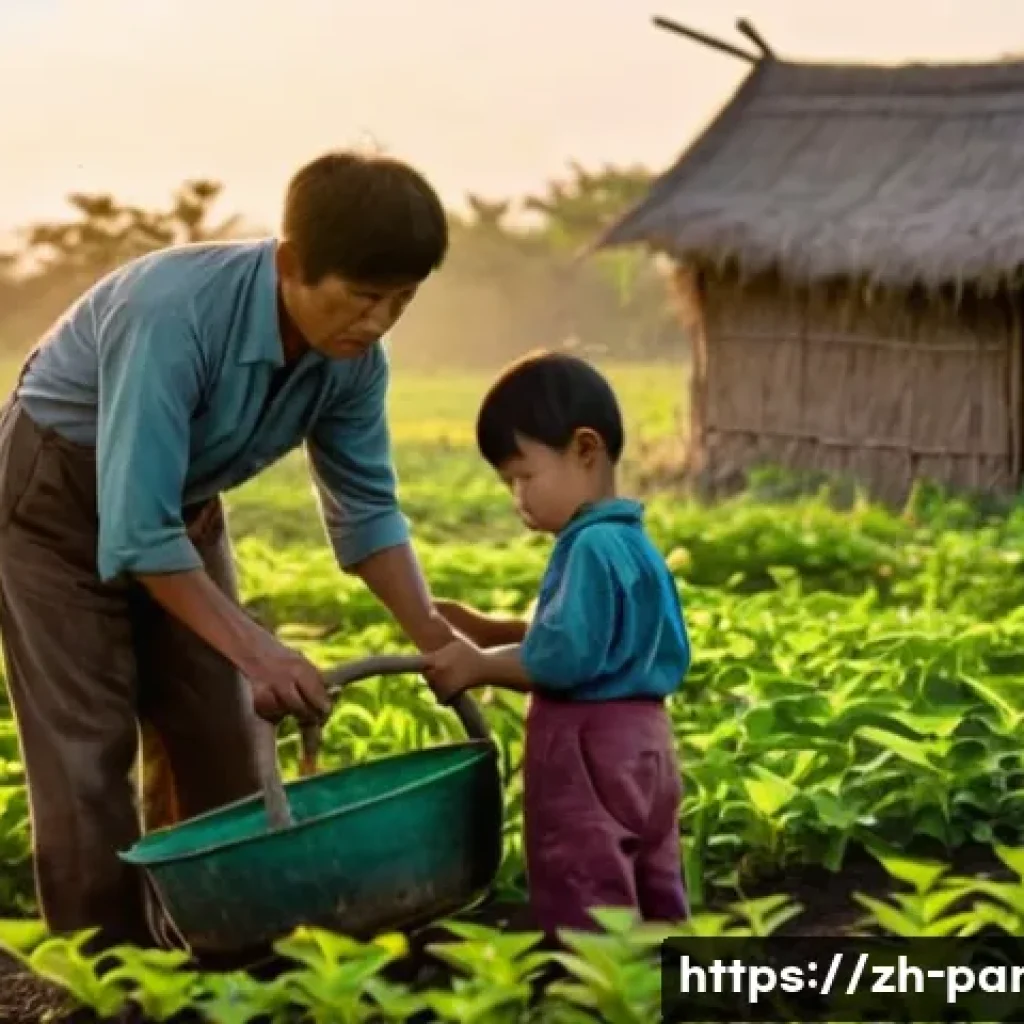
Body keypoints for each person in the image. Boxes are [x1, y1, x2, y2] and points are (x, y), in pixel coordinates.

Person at [0, 150, 460, 950]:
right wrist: (259, 649)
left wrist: (435, 639)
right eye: (361, 296)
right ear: (291, 265)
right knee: (86, 755)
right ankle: (112, 979)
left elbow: (367, 514)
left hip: (178, 504)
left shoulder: (354, 366)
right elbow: (134, 532)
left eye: (403, 300)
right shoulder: (171, 312)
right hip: (51, 501)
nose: (378, 321)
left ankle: (231, 949)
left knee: (223, 731)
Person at [425, 351, 691, 938]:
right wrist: (489, 630)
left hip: (587, 750)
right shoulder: (634, 542)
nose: (517, 497)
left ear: (585, 450)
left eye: (524, 476)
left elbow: (564, 659)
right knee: (654, 882)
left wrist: (479, 666)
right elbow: (599, 640)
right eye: (507, 484)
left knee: (586, 883)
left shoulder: (588, 547)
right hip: (646, 746)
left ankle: (594, 997)